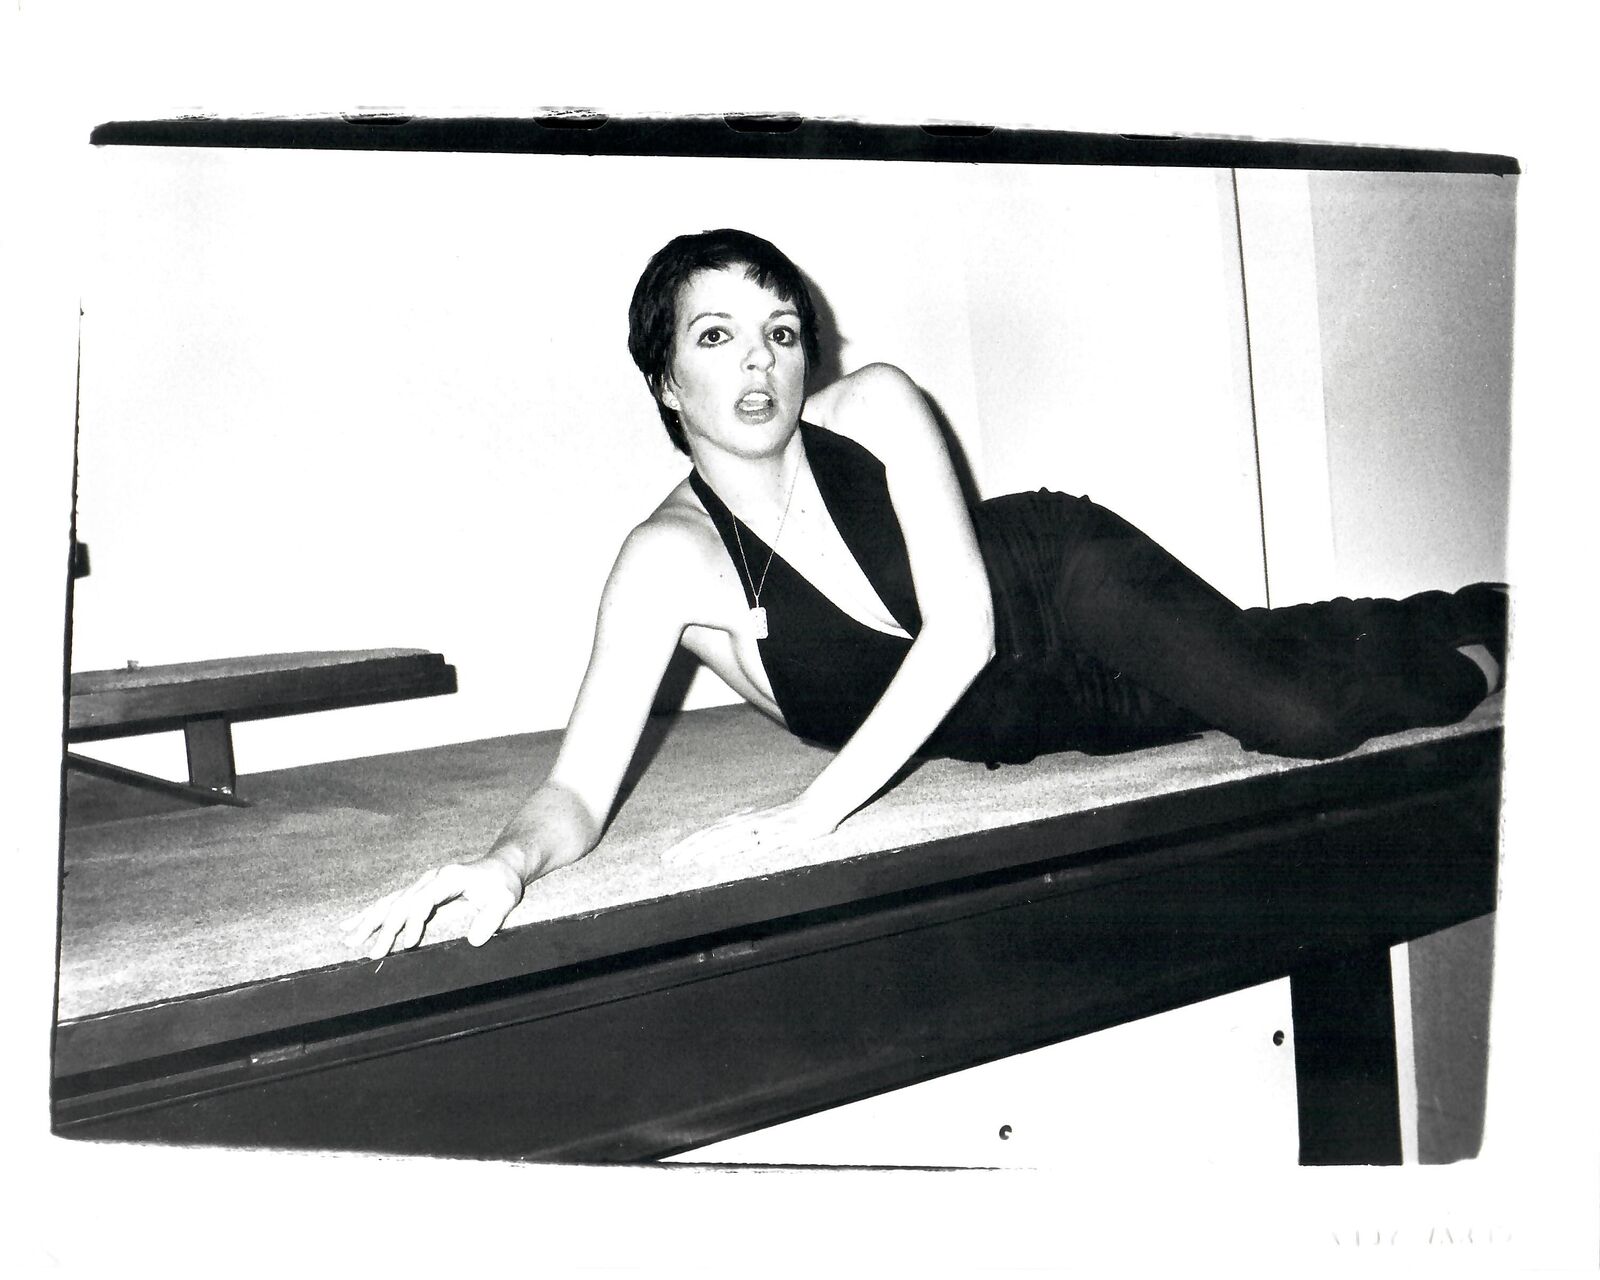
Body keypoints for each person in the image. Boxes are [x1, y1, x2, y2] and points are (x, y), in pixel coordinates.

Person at [343, 228, 1506, 960]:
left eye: (779, 331)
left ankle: (1484, 628)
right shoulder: (666, 561)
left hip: (1058, 582)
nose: (758, 362)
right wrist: (504, 861)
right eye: (717, 335)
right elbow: (575, 787)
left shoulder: (879, 404)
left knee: (1297, 719)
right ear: (664, 376)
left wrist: (812, 816)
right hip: (1030, 724)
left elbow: (962, 631)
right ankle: (1401, 620)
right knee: (1245, 674)